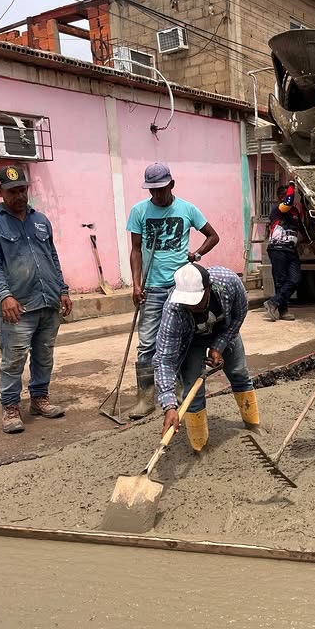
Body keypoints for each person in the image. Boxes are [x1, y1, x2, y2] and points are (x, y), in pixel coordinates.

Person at [126, 163, 219, 419]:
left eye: (161, 189)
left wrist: (197, 254)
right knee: (147, 343)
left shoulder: (187, 209)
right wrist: (136, 283)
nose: (156, 195)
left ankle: (177, 391)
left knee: (178, 338)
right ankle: (146, 398)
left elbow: (213, 235)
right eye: (152, 190)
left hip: (181, 286)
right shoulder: (139, 211)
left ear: (172, 184)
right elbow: (135, 250)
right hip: (152, 287)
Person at [0, 165, 72, 434]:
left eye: (22, 189)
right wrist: (4, 295)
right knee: (13, 359)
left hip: (48, 301)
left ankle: (39, 399)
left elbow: (52, 257)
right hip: (18, 305)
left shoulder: (41, 220)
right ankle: (11, 407)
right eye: (12, 191)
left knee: (44, 355)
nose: (19, 195)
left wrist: (63, 289)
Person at [153, 262, 259, 451]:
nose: (192, 307)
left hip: (224, 330)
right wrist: (169, 405)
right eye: (187, 302)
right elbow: (164, 360)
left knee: (239, 372)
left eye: (196, 301)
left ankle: (253, 425)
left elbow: (239, 314)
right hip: (192, 340)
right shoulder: (173, 311)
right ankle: (199, 447)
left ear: (208, 288)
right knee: (193, 388)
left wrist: (219, 345)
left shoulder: (229, 282)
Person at [263, 183, 303, 322]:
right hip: (277, 249)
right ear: (280, 197)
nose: (291, 198)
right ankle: (283, 310)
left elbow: (301, 227)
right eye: (287, 195)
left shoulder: (295, 211)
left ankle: (274, 302)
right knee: (280, 281)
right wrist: (292, 183)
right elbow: (288, 201)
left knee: (295, 279)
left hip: (291, 250)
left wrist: (311, 242)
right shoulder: (278, 208)